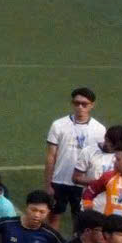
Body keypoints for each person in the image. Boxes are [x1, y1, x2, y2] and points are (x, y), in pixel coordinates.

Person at [45, 89, 107, 224]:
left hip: (83, 182)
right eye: (76, 103)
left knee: (80, 219)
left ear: (92, 105)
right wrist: (48, 183)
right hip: (60, 179)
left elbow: (101, 158)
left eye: (84, 104)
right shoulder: (58, 125)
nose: (80, 107)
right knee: (54, 215)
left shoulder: (99, 129)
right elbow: (51, 156)